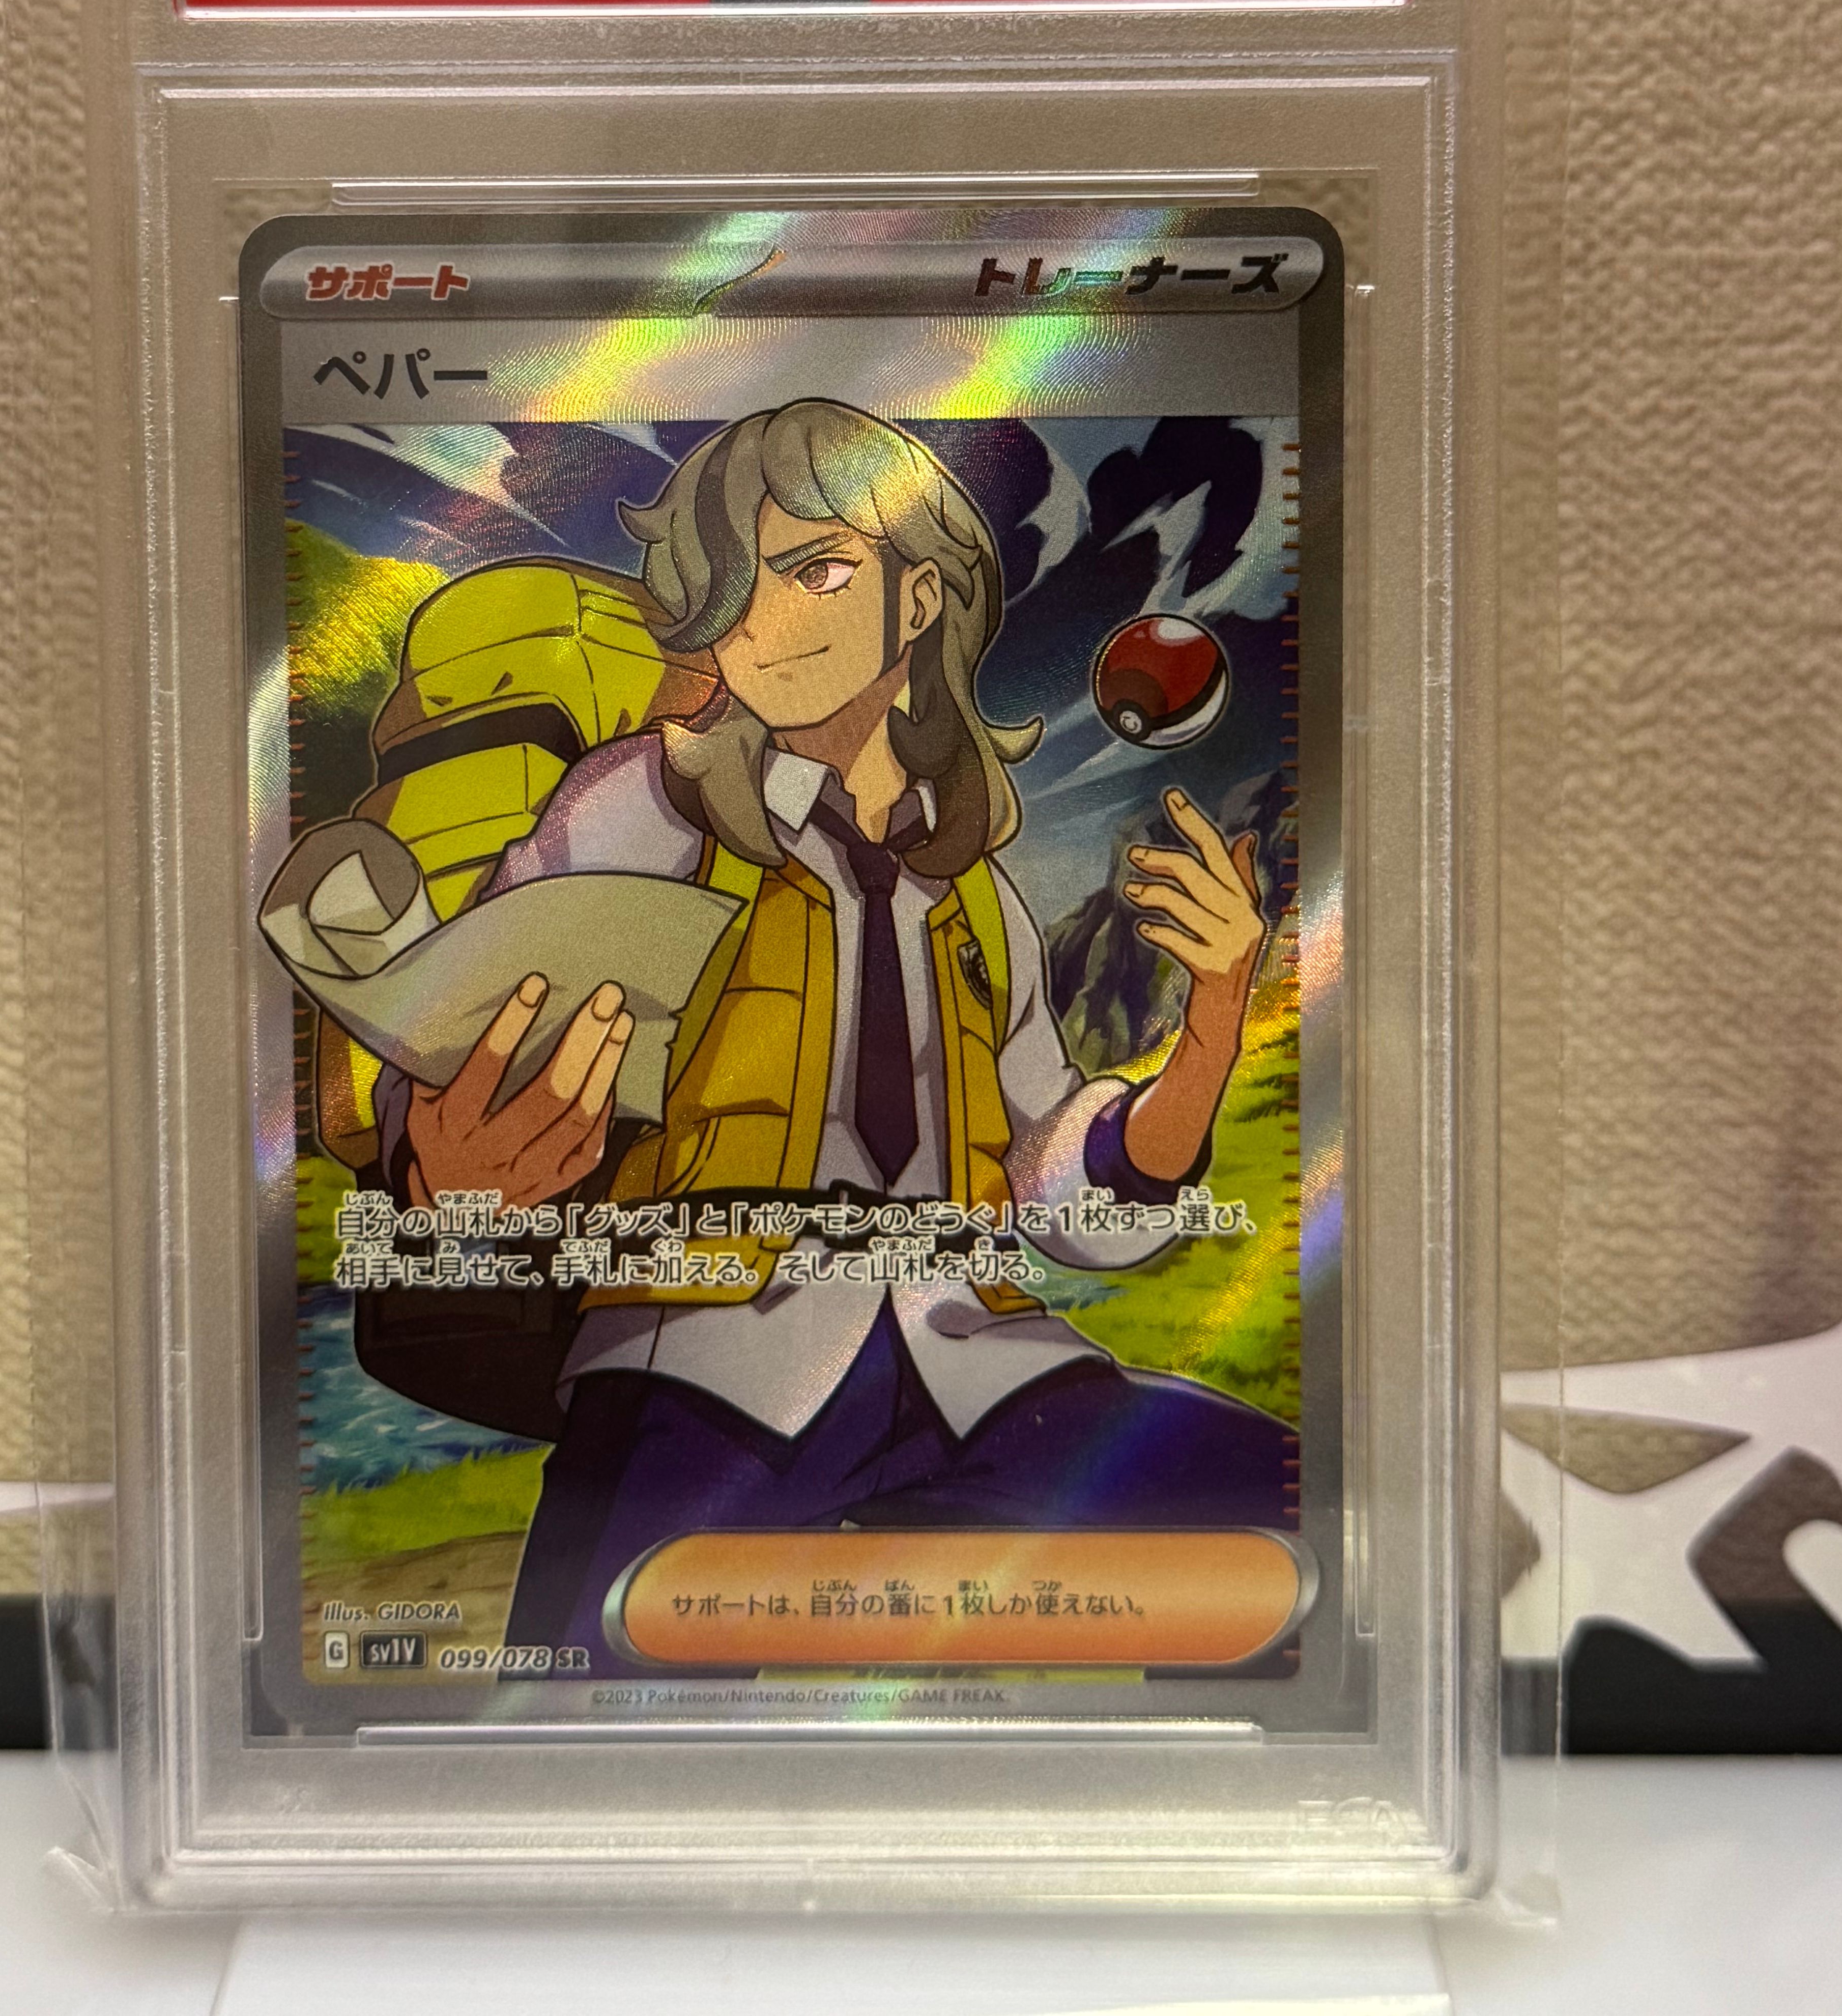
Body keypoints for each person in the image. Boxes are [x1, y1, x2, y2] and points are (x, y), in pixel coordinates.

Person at [382, 400, 1292, 1671]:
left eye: (815, 570)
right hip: (706, 1365)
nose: (766, 619)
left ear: (918, 601)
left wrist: (1208, 1033)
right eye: (732, 581)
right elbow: (457, 1036)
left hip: (967, 1358)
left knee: (1279, 1522)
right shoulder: (641, 810)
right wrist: (445, 1171)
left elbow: (1061, 1195)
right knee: (582, 1687)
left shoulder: (973, 893)